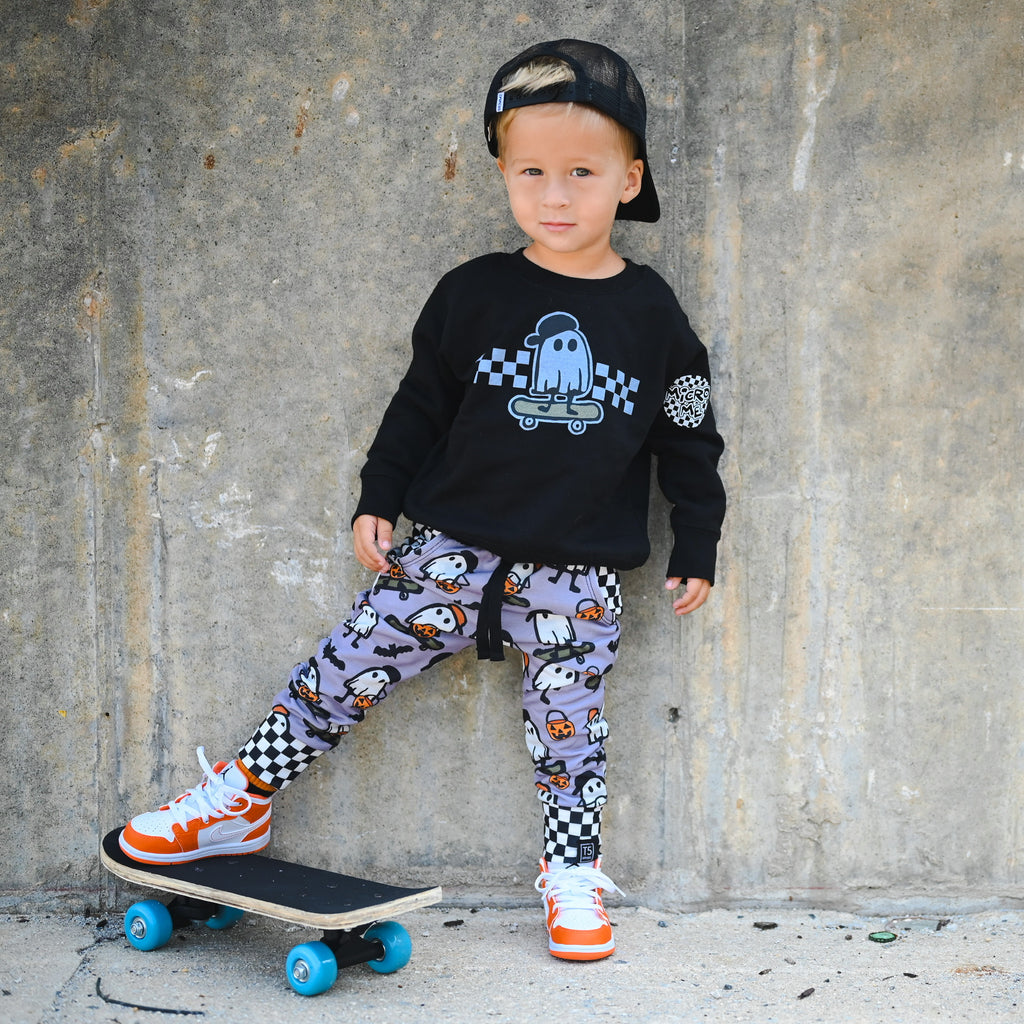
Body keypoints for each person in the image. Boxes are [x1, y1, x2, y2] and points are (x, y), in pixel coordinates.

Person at [117, 38, 726, 963]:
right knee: (341, 669)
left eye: (582, 172)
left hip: (577, 577)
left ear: (629, 179)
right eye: (531, 171)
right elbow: (420, 406)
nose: (556, 195)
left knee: (571, 735)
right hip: (448, 554)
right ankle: (238, 800)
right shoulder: (472, 293)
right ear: (503, 173)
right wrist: (381, 493)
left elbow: (689, 435)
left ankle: (572, 875)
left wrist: (697, 538)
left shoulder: (655, 318)